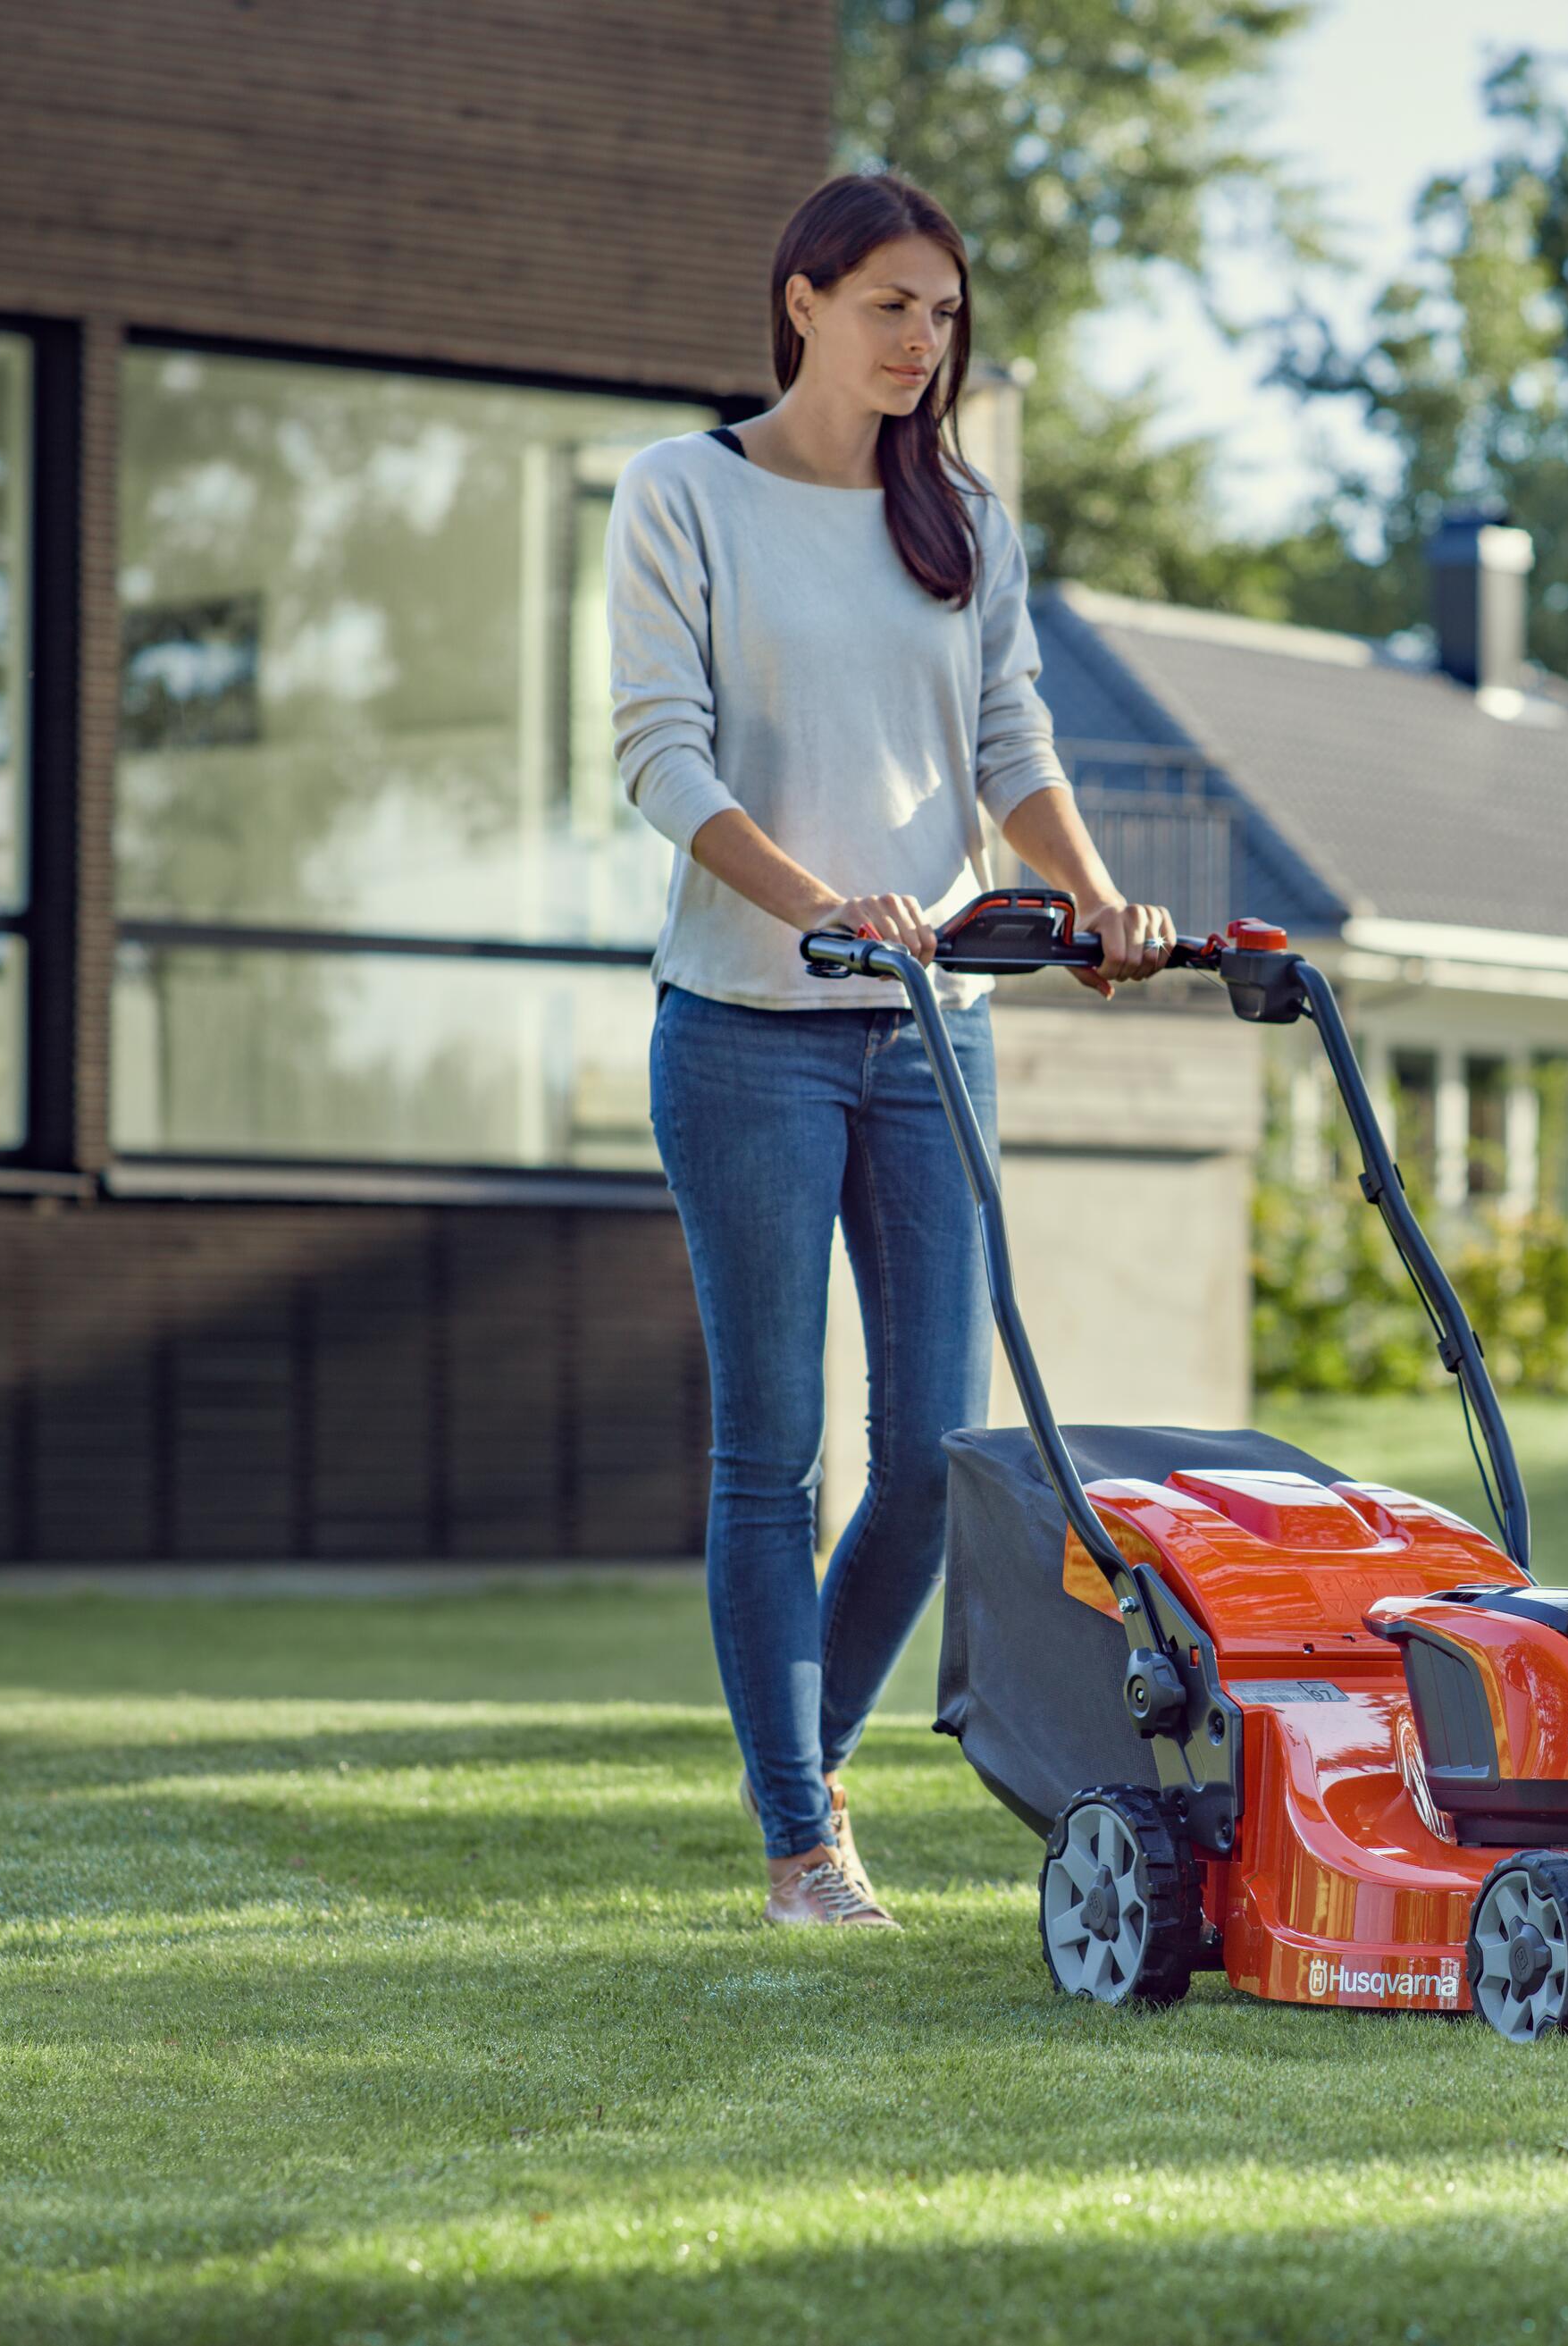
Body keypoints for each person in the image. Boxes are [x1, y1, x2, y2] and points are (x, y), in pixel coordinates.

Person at [608, 173, 1176, 1927]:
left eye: (944, 313)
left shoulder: (964, 519)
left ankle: (800, 1761)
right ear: (801, 303)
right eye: (889, 306)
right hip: (750, 1036)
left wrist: (1095, 899)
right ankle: (802, 1840)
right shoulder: (682, 494)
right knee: (771, 1450)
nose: (922, 341)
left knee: (937, 1457)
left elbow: (1011, 738)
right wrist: (820, 901)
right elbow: (662, 757)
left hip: (937, 1034)